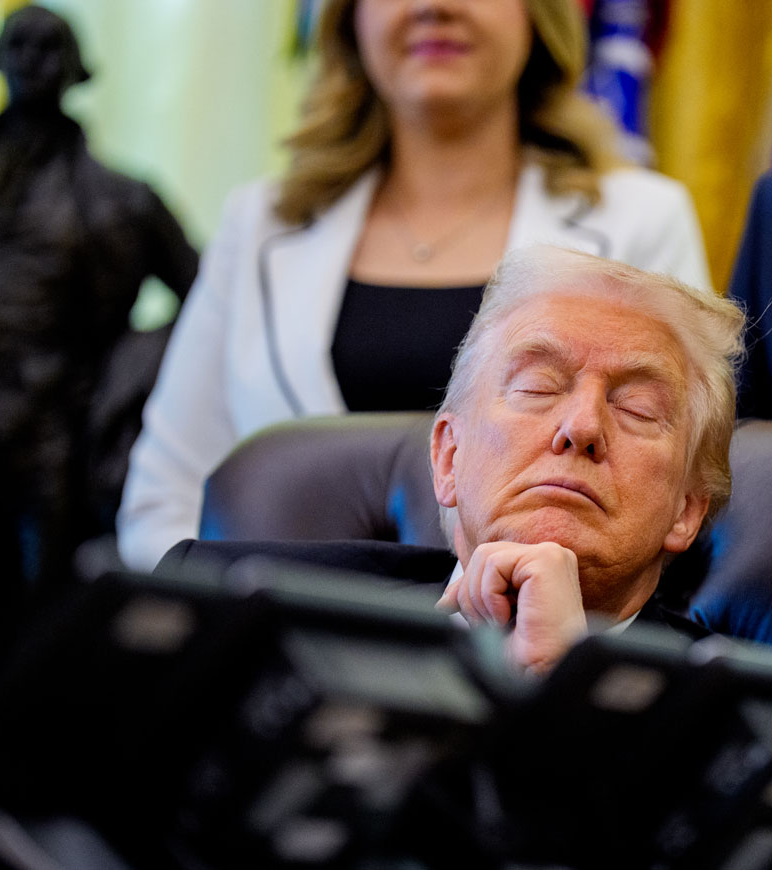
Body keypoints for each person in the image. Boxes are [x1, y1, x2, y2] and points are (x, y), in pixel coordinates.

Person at [118, 0, 711, 571]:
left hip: (534, 653)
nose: (433, 6)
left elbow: (682, 488)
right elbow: (163, 501)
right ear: (350, 18)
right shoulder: (259, 224)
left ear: (538, 15)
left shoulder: (644, 220)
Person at [159, 244, 746, 674]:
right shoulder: (220, 603)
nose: (583, 426)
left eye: (639, 409)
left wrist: (567, 688)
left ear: (687, 512)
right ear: (447, 456)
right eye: (539, 386)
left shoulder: (736, 718)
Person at [0, 5, 198, 602]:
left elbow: (208, 302)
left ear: (78, 68)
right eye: (19, 45)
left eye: (48, 46)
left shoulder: (122, 200)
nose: (31, 60)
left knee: (45, 612)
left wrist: (132, 366)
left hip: (56, 428)